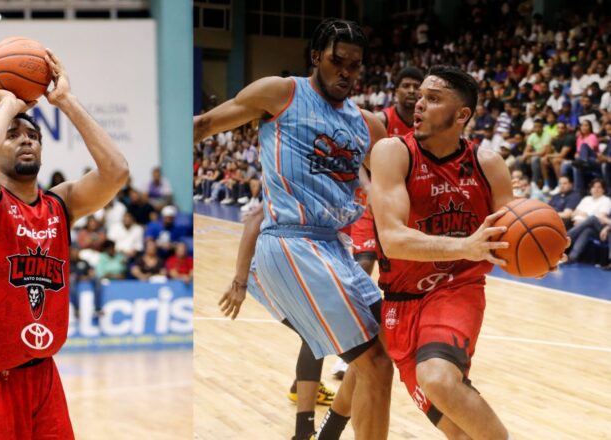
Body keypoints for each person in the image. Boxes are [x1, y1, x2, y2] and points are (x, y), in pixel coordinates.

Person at [196, 18, 392, 440]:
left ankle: (322, 435)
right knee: (373, 362)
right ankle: (312, 430)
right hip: (290, 243)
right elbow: (204, 126)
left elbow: (395, 188)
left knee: (386, 348)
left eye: (355, 66)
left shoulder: (368, 125)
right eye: (338, 61)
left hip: (334, 247)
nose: (346, 72)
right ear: (316, 57)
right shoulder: (281, 93)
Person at [370, 65, 566, 439]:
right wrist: (467, 244)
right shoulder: (393, 153)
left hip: (457, 290)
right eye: (420, 96)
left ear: (462, 115)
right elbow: (393, 238)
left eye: (433, 98)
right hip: (400, 303)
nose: (419, 104)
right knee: (460, 432)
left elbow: (511, 237)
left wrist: (544, 256)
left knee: (438, 379)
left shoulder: (487, 164)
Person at [0, 49, 128, 439]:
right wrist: (9, 105)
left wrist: (65, 99)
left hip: (42, 373)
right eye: (13, 136)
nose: (25, 140)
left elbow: (116, 171)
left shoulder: (60, 203)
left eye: (33, 135)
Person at [334, 66, 423, 379]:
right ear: (395, 90)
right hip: (372, 203)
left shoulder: (423, 122)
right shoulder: (382, 121)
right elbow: (356, 158)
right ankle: (350, 347)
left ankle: (404, 337)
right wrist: (371, 188)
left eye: (417, 86)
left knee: (403, 272)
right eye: (407, 86)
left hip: (405, 206)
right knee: (365, 262)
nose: (412, 91)